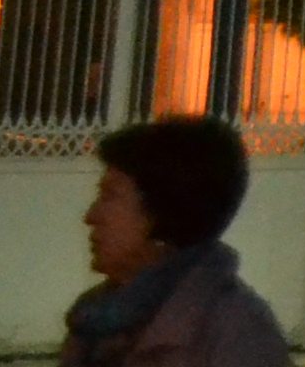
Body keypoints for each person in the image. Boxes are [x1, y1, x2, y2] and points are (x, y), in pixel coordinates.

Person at [63, 116, 288, 367]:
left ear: (164, 211)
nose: (91, 217)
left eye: (110, 196)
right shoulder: (96, 317)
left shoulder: (237, 333)